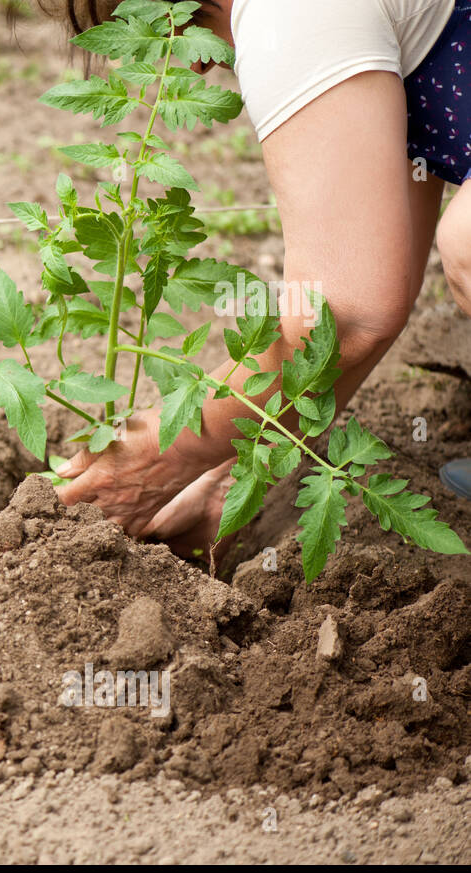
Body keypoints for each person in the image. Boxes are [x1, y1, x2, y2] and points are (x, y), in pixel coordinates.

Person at [29, 0, 471, 556]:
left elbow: (346, 313)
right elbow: (379, 289)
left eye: (172, 28)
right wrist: (234, 473)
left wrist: (155, 459)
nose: (192, 65)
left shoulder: (286, 14)